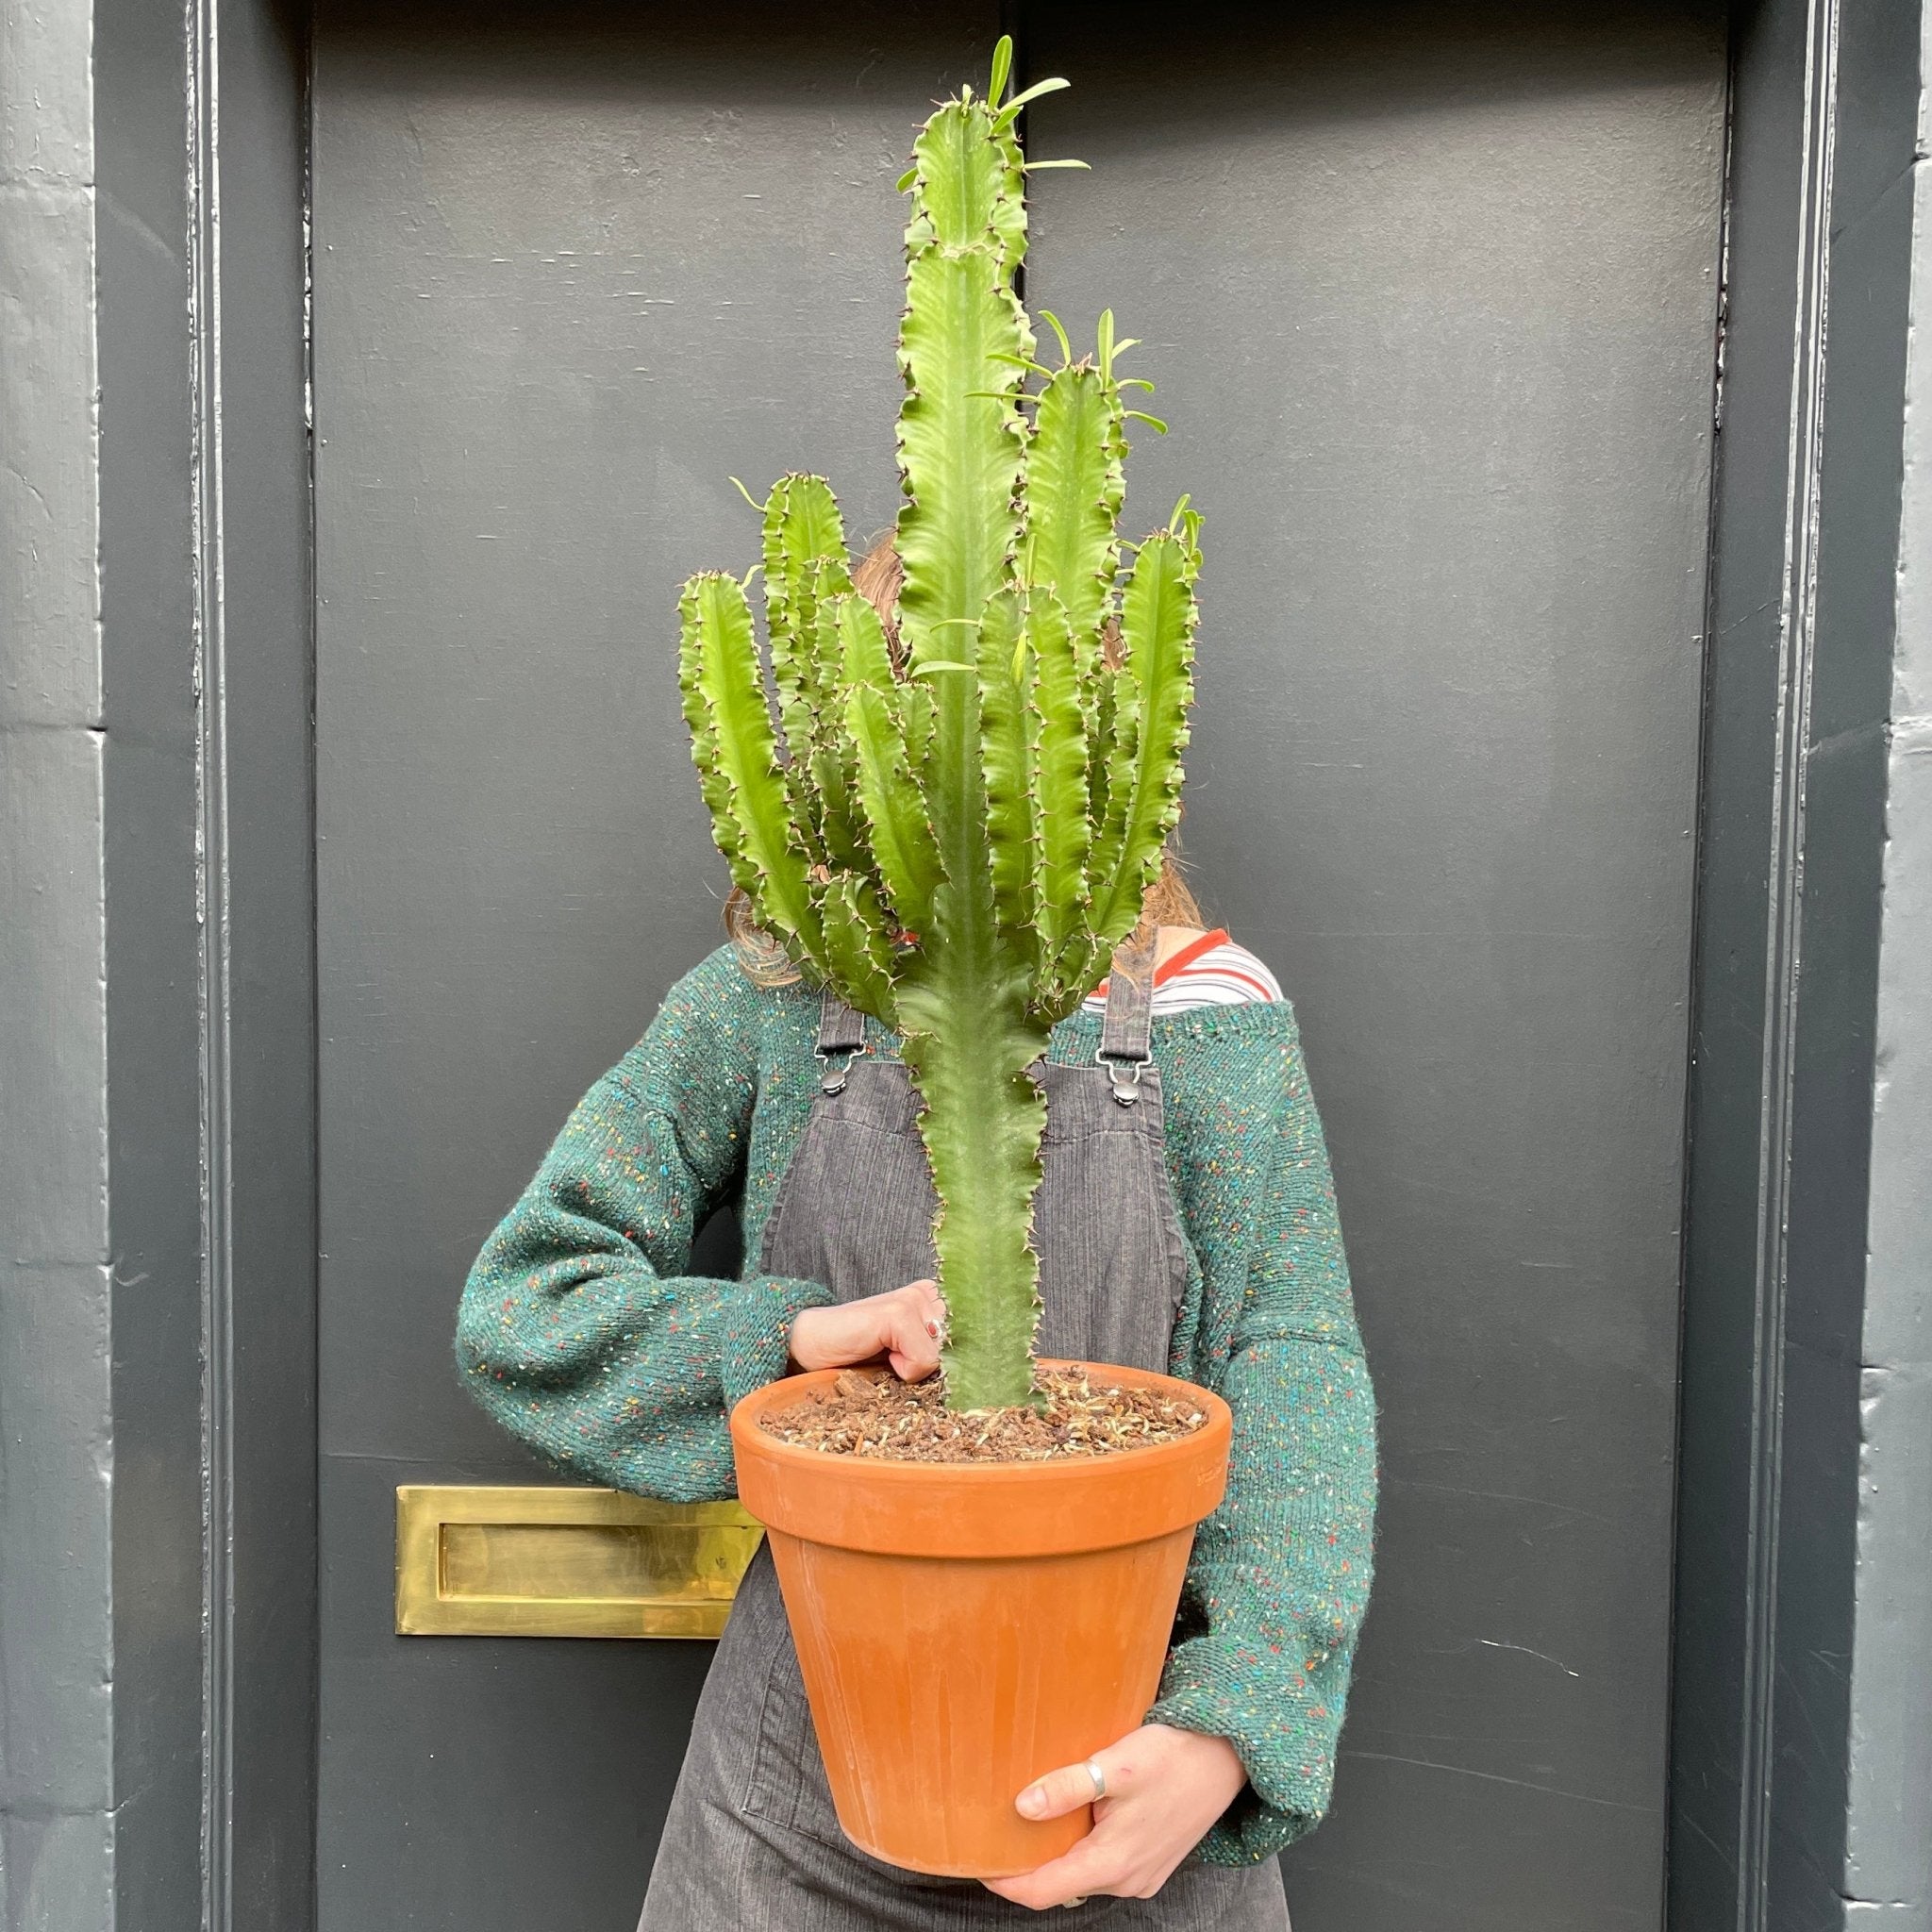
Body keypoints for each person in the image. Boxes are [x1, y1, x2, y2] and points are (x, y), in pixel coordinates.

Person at [454, 538, 1378, 1927]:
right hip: (801, 1792)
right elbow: (528, 1306)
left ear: (1108, 733)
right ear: (844, 734)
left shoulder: (1205, 1006)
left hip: (1140, 1779)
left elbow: (1292, 1361)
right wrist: (792, 1339)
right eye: (922, 692)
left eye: (1035, 692)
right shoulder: (766, 999)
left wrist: (1232, 1726)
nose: (975, 740)